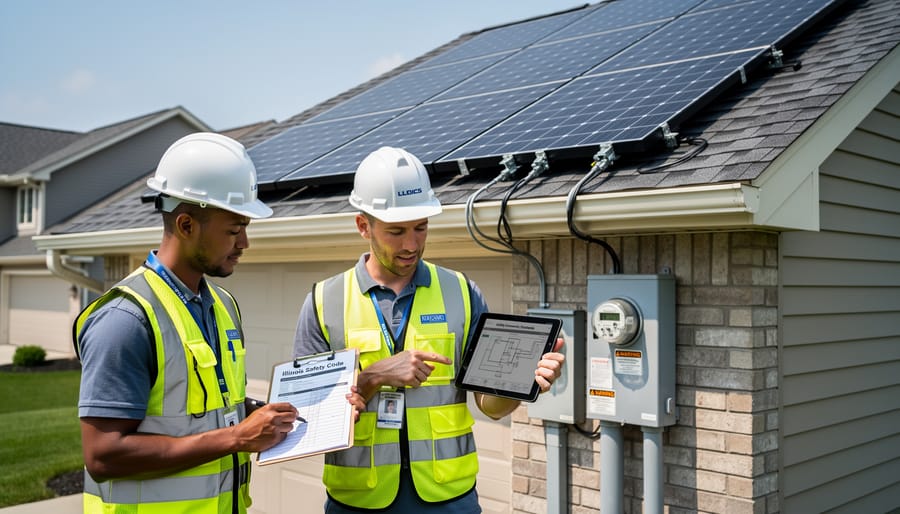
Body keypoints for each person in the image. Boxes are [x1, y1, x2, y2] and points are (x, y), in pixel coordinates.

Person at [74, 132, 340, 513]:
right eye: (233, 230)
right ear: (186, 225)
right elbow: (103, 455)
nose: (244, 243)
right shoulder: (126, 320)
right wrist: (237, 437)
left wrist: (264, 414)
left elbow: (208, 412)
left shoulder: (223, 306)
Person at [293, 146, 565, 513]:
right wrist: (372, 377)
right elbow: (308, 420)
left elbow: (490, 406)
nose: (411, 244)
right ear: (363, 226)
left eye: (421, 227)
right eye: (396, 231)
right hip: (358, 501)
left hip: (449, 499)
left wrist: (520, 385)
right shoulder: (324, 301)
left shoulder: (462, 292)